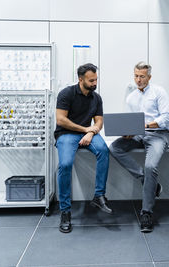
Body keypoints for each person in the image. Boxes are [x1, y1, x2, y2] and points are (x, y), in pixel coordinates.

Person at [109, 61, 169, 233]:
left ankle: (146, 213)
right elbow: (130, 121)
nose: (138, 79)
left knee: (151, 165)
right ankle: (149, 181)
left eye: (142, 76)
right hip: (138, 134)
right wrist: (127, 132)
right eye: (136, 76)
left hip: (158, 135)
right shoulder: (131, 97)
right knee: (115, 148)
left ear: (149, 77)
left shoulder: (159, 92)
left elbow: (166, 117)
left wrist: (146, 126)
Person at [54, 63, 113, 233]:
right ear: (81, 79)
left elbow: (99, 121)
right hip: (66, 134)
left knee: (103, 150)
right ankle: (65, 211)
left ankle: (98, 195)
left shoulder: (96, 97)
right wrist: (85, 129)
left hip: (87, 133)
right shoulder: (66, 94)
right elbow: (61, 120)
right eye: (91, 80)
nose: (95, 83)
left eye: (96, 79)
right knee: (65, 164)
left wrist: (91, 132)